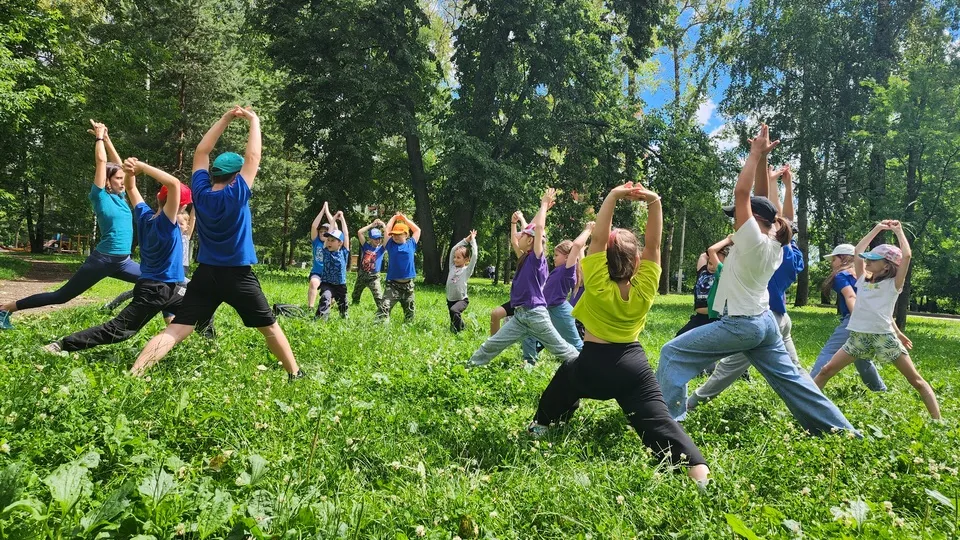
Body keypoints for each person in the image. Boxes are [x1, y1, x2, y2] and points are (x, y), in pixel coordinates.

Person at [654, 124, 856, 436]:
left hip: (742, 324)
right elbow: (765, 201)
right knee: (793, 380)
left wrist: (754, 154)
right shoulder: (777, 239)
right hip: (765, 324)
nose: (733, 221)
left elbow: (743, 193)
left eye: (737, 216)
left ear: (754, 221)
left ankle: (669, 430)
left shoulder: (751, 240)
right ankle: (842, 431)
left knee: (671, 353)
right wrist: (764, 164)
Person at [528, 182, 709, 484]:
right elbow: (653, 244)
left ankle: (541, 426)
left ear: (603, 259)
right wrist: (654, 201)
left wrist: (612, 195)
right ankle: (699, 473)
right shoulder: (646, 284)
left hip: (591, 365)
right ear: (637, 262)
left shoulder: (597, 280)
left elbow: (598, 238)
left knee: (562, 382)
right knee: (661, 424)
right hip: (632, 369)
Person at [130, 106, 304, 381]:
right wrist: (254, 121)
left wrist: (224, 119)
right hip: (238, 276)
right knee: (269, 327)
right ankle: (295, 373)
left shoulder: (200, 192)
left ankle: (135, 372)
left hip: (206, 275)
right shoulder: (236, 195)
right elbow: (254, 155)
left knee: (177, 329)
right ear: (236, 176)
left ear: (216, 174)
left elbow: (201, 152)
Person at [44, 158, 197, 353]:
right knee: (118, 330)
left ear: (159, 197)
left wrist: (131, 171)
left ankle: (211, 343)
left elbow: (131, 188)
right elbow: (174, 183)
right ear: (181, 207)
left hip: (167, 288)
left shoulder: (144, 216)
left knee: (198, 310)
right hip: (155, 290)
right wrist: (142, 167)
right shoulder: (166, 224)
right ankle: (63, 344)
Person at [686, 164, 806, 410]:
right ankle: (816, 399)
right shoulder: (786, 251)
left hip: (757, 318)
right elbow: (780, 216)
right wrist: (781, 184)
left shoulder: (758, 248)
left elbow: (755, 204)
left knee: (722, 371)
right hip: (779, 318)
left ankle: (688, 405)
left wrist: (761, 163)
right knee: (794, 370)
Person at [0, 120, 140, 329]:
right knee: (61, 296)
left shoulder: (120, 198)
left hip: (123, 261)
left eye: (122, 178)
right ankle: (5, 309)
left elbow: (116, 164)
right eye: (118, 179)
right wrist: (99, 138)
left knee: (157, 280)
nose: (123, 181)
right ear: (107, 182)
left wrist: (108, 138)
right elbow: (102, 163)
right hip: (102, 261)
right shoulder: (100, 196)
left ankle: (171, 320)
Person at [814, 221, 940, 419]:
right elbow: (858, 250)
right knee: (826, 371)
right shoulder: (862, 280)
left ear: (887, 266)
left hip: (884, 338)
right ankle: (807, 408)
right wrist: (878, 229)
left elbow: (906, 256)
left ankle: (938, 422)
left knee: (916, 381)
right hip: (858, 337)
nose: (867, 261)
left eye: (874, 259)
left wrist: (898, 231)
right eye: (868, 259)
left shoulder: (894, 284)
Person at [467, 188, 580, 368]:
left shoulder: (537, 259)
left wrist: (543, 205)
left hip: (536, 315)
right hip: (520, 316)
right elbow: (527, 232)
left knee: (562, 350)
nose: (518, 236)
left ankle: (587, 369)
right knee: (492, 344)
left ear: (530, 241)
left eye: (522, 235)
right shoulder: (525, 257)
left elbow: (539, 228)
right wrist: (520, 221)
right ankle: (469, 366)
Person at [809, 243, 899, 391]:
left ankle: (811, 387)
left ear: (843, 258)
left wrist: (858, 317)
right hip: (872, 320)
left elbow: (850, 296)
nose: (832, 264)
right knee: (862, 359)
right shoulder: (869, 276)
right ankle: (880, 390)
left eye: (834, 259)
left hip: (854, 318)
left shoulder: (841, 275)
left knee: (830, 351)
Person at [521, 221, 593, 361]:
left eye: (556, 255)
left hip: (560, 312)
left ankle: (588, 366)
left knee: (576, 344)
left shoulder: (568, 270)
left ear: (567, 257)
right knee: (529, 334)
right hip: (547, 309)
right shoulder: (558, 270)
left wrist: (588, 229)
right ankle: (529, 362)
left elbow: (577, 246)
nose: (553, 258)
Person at [377, 212, 421, 322]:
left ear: (406, 234)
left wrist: (405, 219)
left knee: (410, 312)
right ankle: (380, 327)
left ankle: (408, 329)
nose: (395, 236)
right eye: (394, 234)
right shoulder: (390, 245)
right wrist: (394, 217)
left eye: (399, 234)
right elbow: (387, 229)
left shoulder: (411, 244)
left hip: (408, 287)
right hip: (393, 286)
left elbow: (417, 230)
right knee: (384, 308)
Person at [316, 211, 350, 320]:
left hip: (340, 285)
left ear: (340, 243)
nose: (329, 242)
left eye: (333, 240)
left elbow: (345, 234)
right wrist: (334, 219)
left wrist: (342, 219)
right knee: (325, 298)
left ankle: (344, 317)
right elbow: (330, 231)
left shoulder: (344, 252)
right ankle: (321, 319)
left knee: (343, 305)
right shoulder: (326, 251)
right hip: (327, 283)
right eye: (328, 240)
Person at [446, 230, 479, 332]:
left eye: (458, 258)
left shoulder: (466, 270)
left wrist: (472, 240)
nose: (455, 259)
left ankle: (458, 333)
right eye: (455, 257)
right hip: (450, 299)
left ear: (466, 260)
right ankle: (462, 327)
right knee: (454, 319)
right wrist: (466, 240)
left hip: (461, 299)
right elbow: (453, 250)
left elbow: (475, 256)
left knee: (454, 311)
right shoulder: (452, 267)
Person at [307, 202, 335, 311]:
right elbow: (314, 226)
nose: (323, 233)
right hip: (317, 273)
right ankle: (310, 307)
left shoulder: (331, 243)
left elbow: (335, 227)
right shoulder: (316, 242)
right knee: (313, 283)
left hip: (329, 274)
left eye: (326, 231)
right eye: (321, 231)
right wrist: (322, 210)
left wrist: (327, 212)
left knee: (329, 298)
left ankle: (328, 305)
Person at [353, 219, 387, 309]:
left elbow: (388, 237)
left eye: (379, 238)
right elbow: (360, 232)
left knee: (379, 297)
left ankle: (381, 311)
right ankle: (355, 306)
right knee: (355, 294)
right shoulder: (366, 246)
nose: (378, 240)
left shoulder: (381, 249)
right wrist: (371, 225)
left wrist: (383, 225)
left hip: (374, 277)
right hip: (362, 275)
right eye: (375, 238)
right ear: (370, 239)